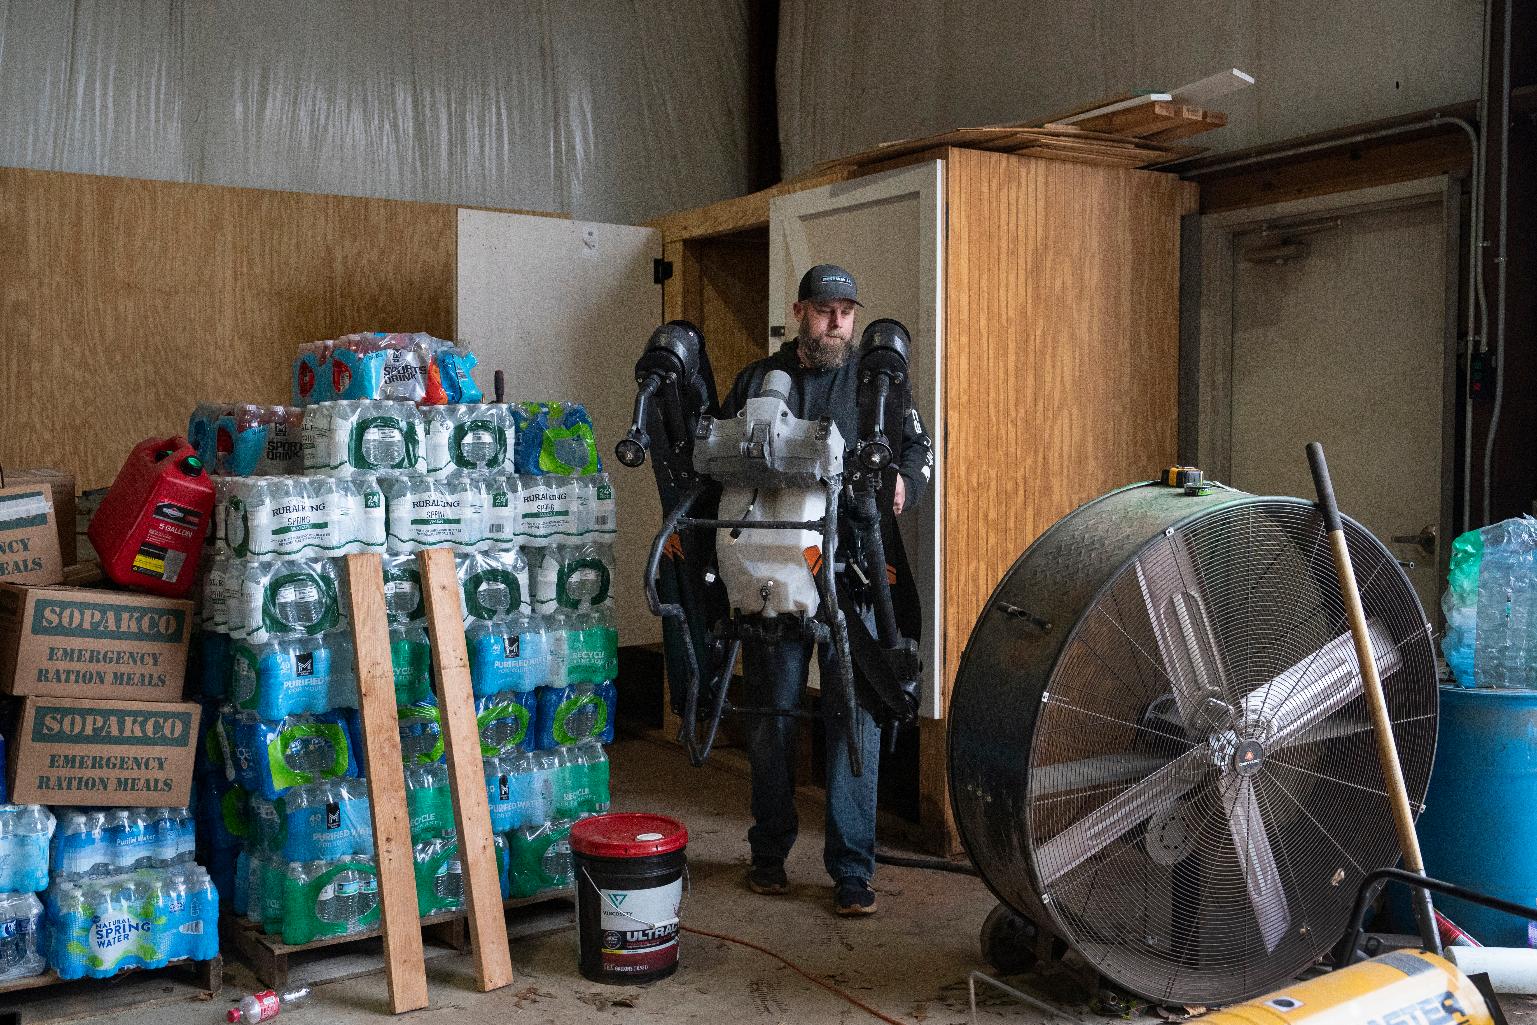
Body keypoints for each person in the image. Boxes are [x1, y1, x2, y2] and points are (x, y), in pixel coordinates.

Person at [717, 264, 933, 916]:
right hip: (774, 570)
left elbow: (917, 449)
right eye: (821, 310)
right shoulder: (759, 381)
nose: (835, 321)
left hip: (857, 574)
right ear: (799, 312)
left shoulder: (876, 383)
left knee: (853, 722)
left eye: (844, 310)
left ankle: (850, 870)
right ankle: (768, 853)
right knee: (772, 718)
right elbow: (721, 459)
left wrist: (905, 483)